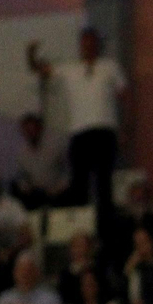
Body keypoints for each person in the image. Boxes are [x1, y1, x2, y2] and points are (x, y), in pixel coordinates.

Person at [26, 29, 125, 233]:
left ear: (97, 44)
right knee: (79, 183)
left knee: (104, 182)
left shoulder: (110, 66)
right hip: (80, 133)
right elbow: (39, 69)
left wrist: (124, 127)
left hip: (105, 130)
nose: (87, 46)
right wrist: (31, 54)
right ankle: (80, 228)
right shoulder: (70, 69)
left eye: (91, 42)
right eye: (84, 42)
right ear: (80, 45)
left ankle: (105, 228)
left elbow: (124, 95)